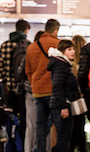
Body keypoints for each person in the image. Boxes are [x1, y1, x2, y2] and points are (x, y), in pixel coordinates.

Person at [25, 20, 61, 152]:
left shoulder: (31, 47)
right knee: (60, 126)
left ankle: (38, 149)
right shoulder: (59, 45)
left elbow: (28, 71)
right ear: (55, 31)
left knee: (40, 126)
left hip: (38, 92)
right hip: (55, 91)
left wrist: (35, 84)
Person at [48, 40, 81, 152]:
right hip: (61, 105)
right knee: (63, 137)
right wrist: (64, 106)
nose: (73, 52)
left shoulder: (63, 64)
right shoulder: (60, 65)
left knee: (64, 136)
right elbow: (58, 86)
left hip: (61, 104)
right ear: (62, 51)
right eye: (69, 49)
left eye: (73, 49)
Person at [0, 19, 29, 100]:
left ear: (16, 28)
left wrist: (5, 80)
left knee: (8, 107)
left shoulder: (4, 45)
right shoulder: (28, 46)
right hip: (24, 88)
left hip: (8, 88)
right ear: (26, 30)